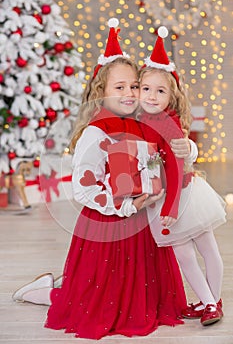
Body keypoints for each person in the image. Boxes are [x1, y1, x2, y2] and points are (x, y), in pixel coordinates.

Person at [12, 19, 197, 339]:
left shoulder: (142, 120)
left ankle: (62, 284)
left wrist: (188, 148)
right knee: (91, 299)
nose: (130, 93)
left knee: (138, 293)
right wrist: (125, 205)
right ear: (102, 91)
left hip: (142, 224)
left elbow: (170, 150)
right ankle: (41, 292)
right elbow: (84, 189)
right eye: (120, 87)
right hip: (109, 223)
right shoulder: (97, 132)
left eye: (134, 86)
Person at [138, 26, 226, 326]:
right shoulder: (144, 119)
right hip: (171, 196)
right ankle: (210, 302)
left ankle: (211, 302)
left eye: (160, 91)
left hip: (181, 195)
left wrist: (171, 207)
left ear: (171, 96)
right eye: (146, 88)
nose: (151, 95)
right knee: (195, 251)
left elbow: (175, 168)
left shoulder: (165, 122)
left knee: (196, 251)